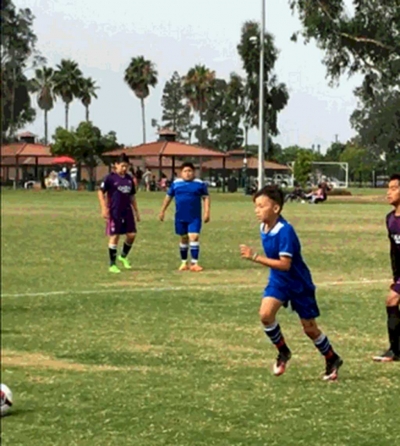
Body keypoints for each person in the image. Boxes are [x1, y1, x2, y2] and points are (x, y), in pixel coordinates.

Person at [239, 185, 343, 380]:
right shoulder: (263, 227)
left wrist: (254, 257)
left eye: (262, 206)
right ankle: (283, 352)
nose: (257, 210)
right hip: (278, 280)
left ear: (276, 208)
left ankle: (332, 357)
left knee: (310, 329)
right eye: (256, 206)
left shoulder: (285, 231)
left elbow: (285, 264)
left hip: (298, 283)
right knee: (265, 315)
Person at [159, 162, 210, 272]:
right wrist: (162, 210)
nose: (188, 174)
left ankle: (194, 263)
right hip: (180, 216)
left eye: (190, 171)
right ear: (181, 173)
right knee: (183, 238)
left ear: (194, 172)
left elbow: (206, 198)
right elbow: (168, 197)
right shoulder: (176, 184)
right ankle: (183, 263)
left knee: (194, 236)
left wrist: (207, 212)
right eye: (185, 171)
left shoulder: (199, 184)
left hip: (194, 217)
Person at [98, 153, 140, 273]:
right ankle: (112, 264)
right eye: (122, 166)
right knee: (115, 236)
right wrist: (103, 208)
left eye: (126, 166)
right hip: (114, 211)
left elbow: (132, 196)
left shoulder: (129, 179)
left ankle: (123, 256)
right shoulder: (110, 178)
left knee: (132, 235)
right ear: (116, 165)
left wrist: (137, 212)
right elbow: (100, 192)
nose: (124, 168)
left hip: (127, 211)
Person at [373, 173, 400, 362]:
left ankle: (395, 350)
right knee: (392, 300)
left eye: (394, 188)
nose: (388, 192)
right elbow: (394, 251)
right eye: (388, 188)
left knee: (392, 300)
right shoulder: (390, 219)